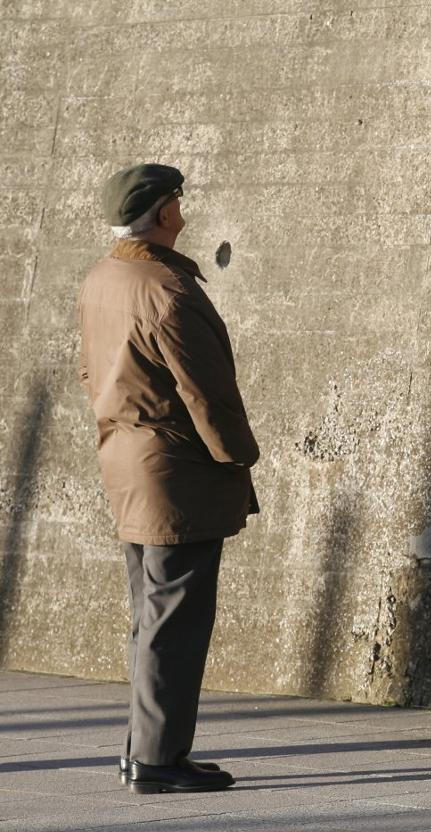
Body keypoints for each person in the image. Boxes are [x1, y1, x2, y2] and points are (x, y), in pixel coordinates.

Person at [77, 164, 259, 794]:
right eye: (177, 201)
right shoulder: (165, 288)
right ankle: (157, 760)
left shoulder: (104, 278)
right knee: (175, 618)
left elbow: (89, 373)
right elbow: (206, 390)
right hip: (175, 470)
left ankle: (145, 751)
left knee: (150, 614)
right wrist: (238, 457)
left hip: (125, 460)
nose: (183, 209)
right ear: (160, 213)